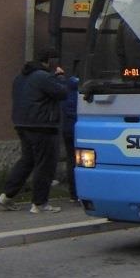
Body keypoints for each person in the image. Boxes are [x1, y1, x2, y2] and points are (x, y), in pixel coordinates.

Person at [0, 49, 68, 213]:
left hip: (22, 124)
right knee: (45, 164)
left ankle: (6, 195)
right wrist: (61, 77)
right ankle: (39, 203)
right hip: (43, 125)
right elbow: (62, 92)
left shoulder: (20, 78)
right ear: (49, 61)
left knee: (27, 161)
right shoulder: (43, 77)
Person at [61, 73, 80, 203]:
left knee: (71, 160)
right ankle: (78, 192)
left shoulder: (64, 95)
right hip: (77, 132)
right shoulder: (78, 97)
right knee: (79, 161)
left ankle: (73, 194)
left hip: (66, 130)